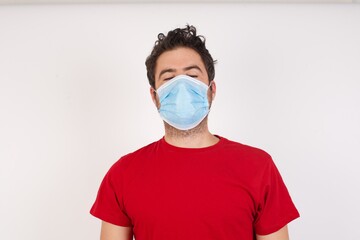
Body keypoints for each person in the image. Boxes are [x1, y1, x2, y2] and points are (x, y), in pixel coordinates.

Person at [90, 25, 300, 240]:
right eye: (169, 78)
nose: (182, 86)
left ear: (212, 90)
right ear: (154, 96)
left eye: (192, 75)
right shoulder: (123, 174)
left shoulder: (258, 167)